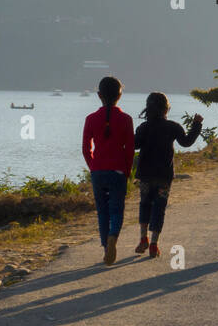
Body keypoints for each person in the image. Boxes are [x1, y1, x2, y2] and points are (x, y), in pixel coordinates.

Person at [132, 93, 202, 258]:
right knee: (159, 208)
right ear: (166, 109)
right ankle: (154, 245)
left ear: (147, 109)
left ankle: (143, 239)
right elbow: (186, 142)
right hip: (164, 176)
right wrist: (197, 125)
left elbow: (134, 145)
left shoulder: (143, 127)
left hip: (146, 176)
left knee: (145, 204)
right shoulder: (173, 127)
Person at [82, 76, 134, 266]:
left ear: (99, 95)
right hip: (118, 171)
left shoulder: (90, 119)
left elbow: (86, 148)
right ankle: (113, 237)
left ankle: (106, 247)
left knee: (102, 212)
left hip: (98, 172)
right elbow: (129, 149)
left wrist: (93, 167)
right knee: (116, 210)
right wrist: (127, 171)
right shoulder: (126, 119)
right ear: (120, 95)